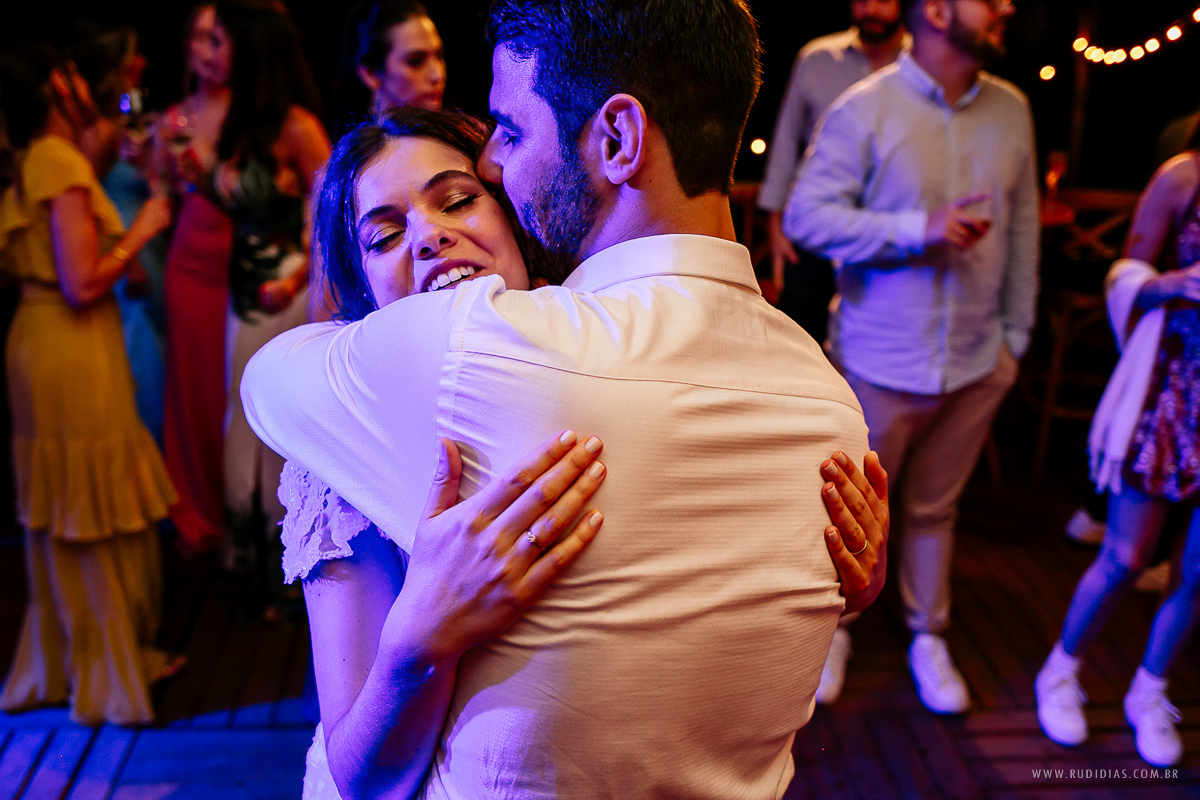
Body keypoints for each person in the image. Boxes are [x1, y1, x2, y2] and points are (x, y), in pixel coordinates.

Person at [242, 2, 889, 797]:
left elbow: (269, 376)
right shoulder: (829, 404)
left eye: (506, 138)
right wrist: (418, 637)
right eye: (380, 235)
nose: (494, 168)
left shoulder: (483, 344)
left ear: (616, 140)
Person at [784, 0, 1038, 715]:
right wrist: (915, 228)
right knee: (852, 512)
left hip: (977, 359)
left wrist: (1014, 342)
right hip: (878, 359)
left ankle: (931, 634)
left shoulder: (1012, 109)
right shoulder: (864, 109)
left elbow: (1020, 235)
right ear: (936, 9)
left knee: (934, 508)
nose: (1005, 8)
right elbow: (807, 216)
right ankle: (834, 631)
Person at [0, 45, 180, 726]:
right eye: (72, 72)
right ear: (57, 85)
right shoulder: (60, 160)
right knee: (89, 506)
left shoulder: (34, 158)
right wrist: (142, 233)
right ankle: (109, 676)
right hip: (71, 344)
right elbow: (81, 282)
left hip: (39, 339)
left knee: (63, 508)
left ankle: (73, 662)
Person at [1035, 144, 1200, 769]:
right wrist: (1174, 282)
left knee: (1199, 573)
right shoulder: (1184, 175)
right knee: (1126, 556)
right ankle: (1060, 672)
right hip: (1170, 395)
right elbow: (1123, 273)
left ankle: (1150, 690)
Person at [204, 0, 330, 607]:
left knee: (270, 421)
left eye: (226, 44)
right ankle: (249, 562)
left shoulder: (297, 125)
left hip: (284, 286)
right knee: (239, 417)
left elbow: (331, 213)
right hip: (242, 288)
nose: (217, 55)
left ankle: (286, 563)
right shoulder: (238, 123)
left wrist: (299, 275)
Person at [759, 0, 908, 345]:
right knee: (798, 343)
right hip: (814, 230)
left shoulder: (921, 67)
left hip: (887, 231)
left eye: (883, 0)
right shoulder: (816, 58)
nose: (870, 9)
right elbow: (785, 142)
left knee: (873, 345)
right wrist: (775, 225)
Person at [158, 2, 235, 555]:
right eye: (201, 39)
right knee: (192, 394)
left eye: (220, 39)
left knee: (227, 390)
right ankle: (197, 514)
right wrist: (149, 162)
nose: (209, 52)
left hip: (237, 269)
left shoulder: (256, 114)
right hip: (188, 264)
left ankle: (239, 515)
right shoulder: (174, 117)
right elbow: (161, 198)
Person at [71, 23, 169, 444]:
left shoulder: (126, 123)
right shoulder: (100, 133)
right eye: (134, 57)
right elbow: (81, 207)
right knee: (142, 357)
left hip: (148, 243)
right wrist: (124, 259)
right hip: (128, 252)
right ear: (116, 69)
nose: (143, 63)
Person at [336, 0, 445, 133]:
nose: (437, 75)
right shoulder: (359, 152)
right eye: (415, 61)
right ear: (370, 73)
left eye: (439, 56)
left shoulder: (464, 140)